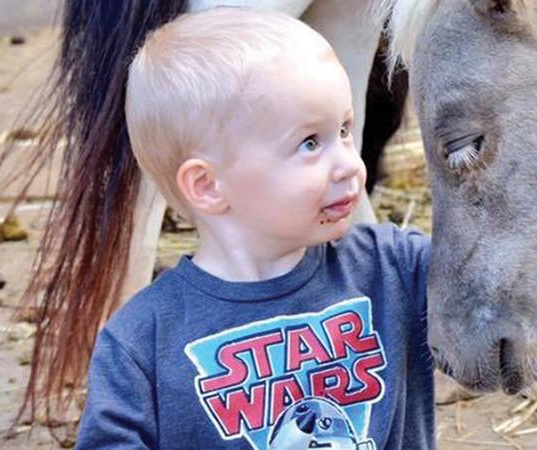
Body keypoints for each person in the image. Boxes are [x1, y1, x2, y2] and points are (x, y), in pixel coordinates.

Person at [75, 8, 433, 449]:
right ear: (207, 186)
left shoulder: (396, 269)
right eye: (309, 143)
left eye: (343, 130)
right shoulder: (138, 343)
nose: (349, 164)